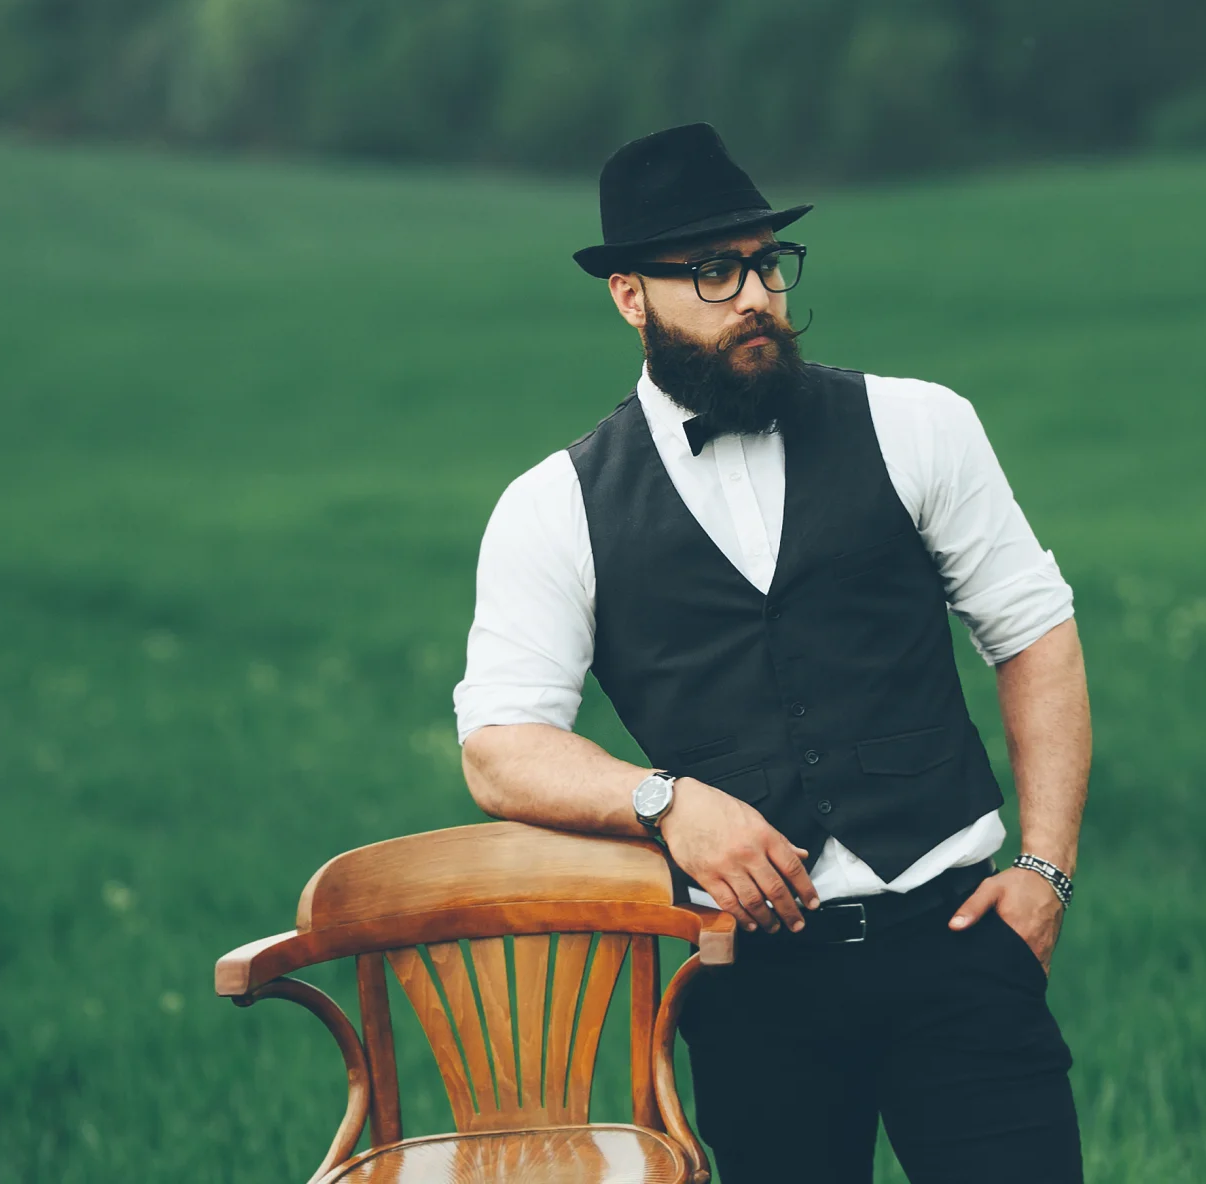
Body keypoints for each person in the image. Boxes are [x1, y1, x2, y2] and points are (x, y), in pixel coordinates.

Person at [453, 122, 1090, 1183]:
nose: (755, 295)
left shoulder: (919, 425)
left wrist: (1046, 869)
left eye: (765, 262)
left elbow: (1033, 631)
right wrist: (666, 803)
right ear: (629, 296)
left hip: (957, 942)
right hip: (750, 987)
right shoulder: (553, 507)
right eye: (713, 271)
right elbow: (499, 747)